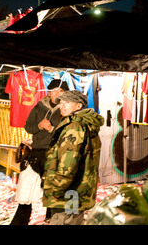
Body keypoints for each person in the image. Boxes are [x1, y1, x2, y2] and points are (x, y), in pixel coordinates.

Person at [10, 79, 69, 225]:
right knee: (26, 187)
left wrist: (50, 129)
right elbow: (28, 127)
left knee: (53, 189)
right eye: (52, 90)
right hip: (36, 152)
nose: (54, 94)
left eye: (58, 91)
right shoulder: (40, 106)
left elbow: (69, 133)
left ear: (64, 93)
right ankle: (20, 221)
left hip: (56, 152)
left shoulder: (67, 109)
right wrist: (39, 126)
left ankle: (51, 219)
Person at [42, 90, 104, 225]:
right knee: (73, 220)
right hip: (76, 189)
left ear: (78, 106)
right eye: (61, 103)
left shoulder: (74, 126)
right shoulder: (85, 123)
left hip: (68, 191)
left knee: (64, 221)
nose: (62, 106)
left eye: (67, 103)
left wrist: (57, 188)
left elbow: (69, 162)